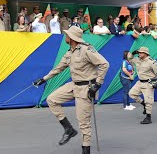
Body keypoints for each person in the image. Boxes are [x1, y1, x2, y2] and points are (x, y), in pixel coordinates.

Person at [33, 26, 109, 154]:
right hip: (74, 85)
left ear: (72, 37)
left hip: (86, 88)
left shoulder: (86, 50)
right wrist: (43, 79)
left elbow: (104, 64)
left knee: (83, 122)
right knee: (51, 99)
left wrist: (97, 84)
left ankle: (86, 150)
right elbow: (58, 68)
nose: (65, 37)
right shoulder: (69, 53)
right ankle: (68, 129)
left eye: (67, 35)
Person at [128, 47, 157, 124]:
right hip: (140, 82)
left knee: (148, 101)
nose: (139, 53)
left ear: (146, 53)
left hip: (148, 83)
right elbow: (129, 58)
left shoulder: (151, 62)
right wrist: (133, 53)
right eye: (139, 52)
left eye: (141, 52)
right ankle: (143, 104)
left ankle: (148, 117)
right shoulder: (137, 59)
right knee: (132, 94)